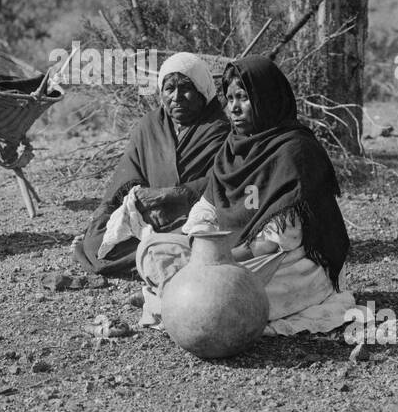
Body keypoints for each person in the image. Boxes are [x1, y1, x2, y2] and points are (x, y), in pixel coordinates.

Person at [135, 55, 357, 335]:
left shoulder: (295, 151)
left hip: (287, 264)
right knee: (153, 250)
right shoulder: (233, 148)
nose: (234, 109)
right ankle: (183, 293)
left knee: (227, 295)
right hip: (228, 250)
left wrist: (211, 261)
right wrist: (198, 239)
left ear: (267, 99)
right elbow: (208, 206)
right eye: (229, 99)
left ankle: (176, 296)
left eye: (243, 97)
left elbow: (273, 244)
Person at [71, 52, 230, 278]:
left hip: (192, 213)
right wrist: (107, 212)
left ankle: (161, 260)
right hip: (149, 214)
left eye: (185, 88)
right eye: (169, 88)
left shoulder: (219, 129)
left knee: (201, 235)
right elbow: (128, 174)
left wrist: (171, 195)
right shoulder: (150, 125)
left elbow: (222, 181)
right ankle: (160, 260)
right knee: (96, 242)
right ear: (161, 92)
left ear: (202, 90)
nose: (176, 97)